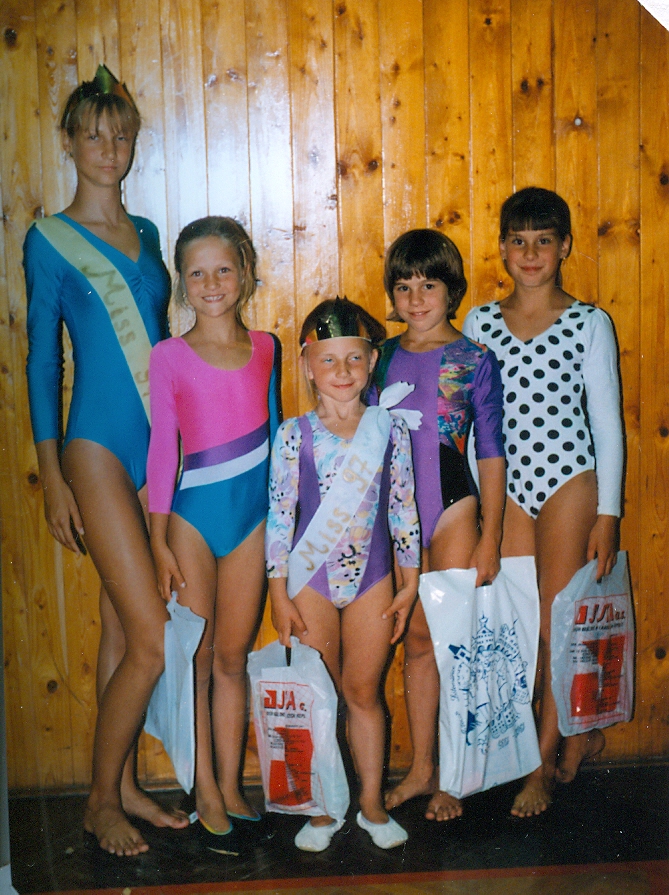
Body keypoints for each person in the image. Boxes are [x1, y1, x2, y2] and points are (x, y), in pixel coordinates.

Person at [23, 65, 188, 856]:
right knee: (152, 636)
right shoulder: (48, 238)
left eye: (120, 135)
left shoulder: (148, 234)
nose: (109, 148)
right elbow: (40, 361)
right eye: (93, 135)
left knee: (122, 627)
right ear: (69, 141)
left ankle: (119, 782)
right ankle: (98, 801)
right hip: (92, 446)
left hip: (157, 442)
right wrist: (51, 474)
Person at [462, 186, 623, 817]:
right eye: (519, 242)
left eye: (544, 242)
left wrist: (608, 512)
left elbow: (606, 424)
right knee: (519, 627)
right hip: (506, 487)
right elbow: (472, 425)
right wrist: (482, 507)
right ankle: (571, 737)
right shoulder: (480, 323)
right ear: (503, 248)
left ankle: (542, 764)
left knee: (559, 624)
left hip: (568, 481)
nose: (531, 254)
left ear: (565, 247)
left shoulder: (589, 323)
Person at [265, 297, 421, 852]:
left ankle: (371, 801)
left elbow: (403, 510)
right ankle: (324, 807)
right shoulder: (293, 435)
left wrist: (410, 582)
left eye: (354, 358)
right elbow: (279, 517)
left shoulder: (390, 431)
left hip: (373, 579)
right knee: (319, 698)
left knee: (361, 691)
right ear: (307, 366)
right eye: (328, 360)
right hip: (309, 584)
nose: (342, 370)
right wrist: (277, 592)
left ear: (372, 361)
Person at [147, 216, 281, 851]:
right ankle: (202, 785)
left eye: (223, 269)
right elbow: (161, 451)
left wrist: (283, 525)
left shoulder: (268, 348)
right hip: (192, 523)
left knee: (232, 657)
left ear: (245, 273)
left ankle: (229, 783)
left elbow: (276, 439)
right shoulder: (169, 356)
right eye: (196, 273)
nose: (211, 283)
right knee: (199, 659)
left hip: (253, 521)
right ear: (181, 283)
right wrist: (157, 540)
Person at [374, 229, 506, 822]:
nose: (416, 298)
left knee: (457, 644)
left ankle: (457, 773)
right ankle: (424, 767)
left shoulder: (473, 360)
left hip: (454, 511)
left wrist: (491, 536)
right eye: (404, 287)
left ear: (452, 290)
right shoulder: (380, 357)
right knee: (419, 644)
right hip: (397, 518)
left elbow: (491, 454)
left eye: (428, 285)